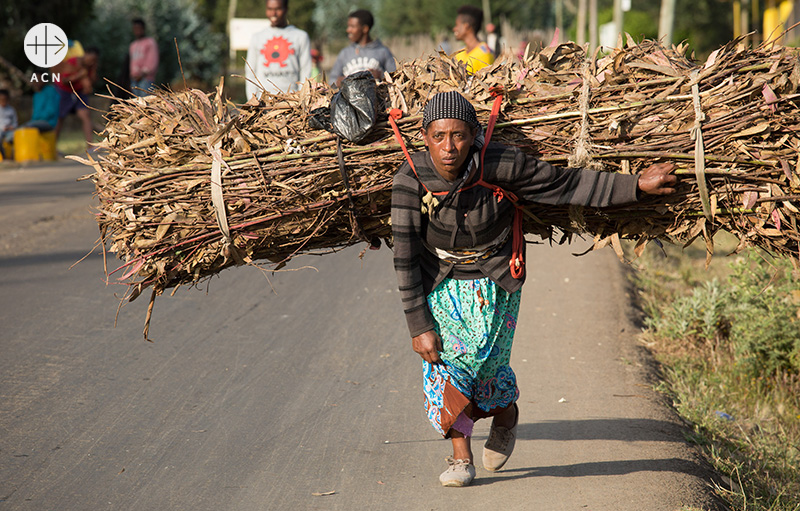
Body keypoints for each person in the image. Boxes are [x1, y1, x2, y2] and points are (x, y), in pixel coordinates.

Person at [390, 91, 677, 487]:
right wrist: (417, 325)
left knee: (486, 369)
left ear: (473, 135)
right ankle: (460, 457)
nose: (449, 147)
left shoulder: (502, 164)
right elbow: (404, 255)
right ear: (425, 137)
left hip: (496, 279)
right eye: (439, 136)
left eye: (458, 136)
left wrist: (636, 186)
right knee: (446, 367)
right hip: (439, 280)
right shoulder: (410, 179)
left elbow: (566, 184)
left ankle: (506, 413)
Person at [245, 0, 312, 99]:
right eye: (270, 9)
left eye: (278, 9)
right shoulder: (257, 37)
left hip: (291, 100)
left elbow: (306, 71)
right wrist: (253, 100)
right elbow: (250, 72)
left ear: (286, 10)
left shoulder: (300, 36)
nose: (273, 13)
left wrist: (301, 98)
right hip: (264, 102)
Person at [329, 9, 396, 87]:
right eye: (348, 26)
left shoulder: (383, 51)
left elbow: (396, 77)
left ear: (365, 29)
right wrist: (340, 82)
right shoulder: (345, 53)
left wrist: (381, 75)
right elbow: (332, 81)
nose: (348, 30)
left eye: (352, 26)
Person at [53, 44, 98, 151]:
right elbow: (65, 80)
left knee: (85, 115)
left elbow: (91, 82)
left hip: (79, 92)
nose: (91, 62)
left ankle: (90, 145)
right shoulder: (72, 62)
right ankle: (52, 147)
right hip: (64, 91)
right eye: (91, 59)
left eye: (94, 61)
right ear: (85, 55)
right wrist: (80, 75)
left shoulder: (90, 67)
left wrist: (93, 70)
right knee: (60, 118)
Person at [452, 5, 495, 74]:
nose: (454, 29)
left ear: (466, 26)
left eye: (457, 25)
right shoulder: (460, 54)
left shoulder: (484, 54)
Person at [129, 18, 159, 97]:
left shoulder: (150, 42)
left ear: (143, 29)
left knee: (146, 103)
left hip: (146, 79)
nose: (137, 31)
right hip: (134, 80)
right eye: (135, 29)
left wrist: (142, 74)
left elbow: (152, 61)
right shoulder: (133, 45)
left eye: (139, 28)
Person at [0, 89, 18, 158]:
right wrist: (2, 128)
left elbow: (15, 122)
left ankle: (12, 155)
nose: (3, 101)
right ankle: (2, 155)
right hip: (1, 130)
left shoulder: (11, 110)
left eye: (5, 99)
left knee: (14, 136)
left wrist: (12, 127)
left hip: (10, 131)